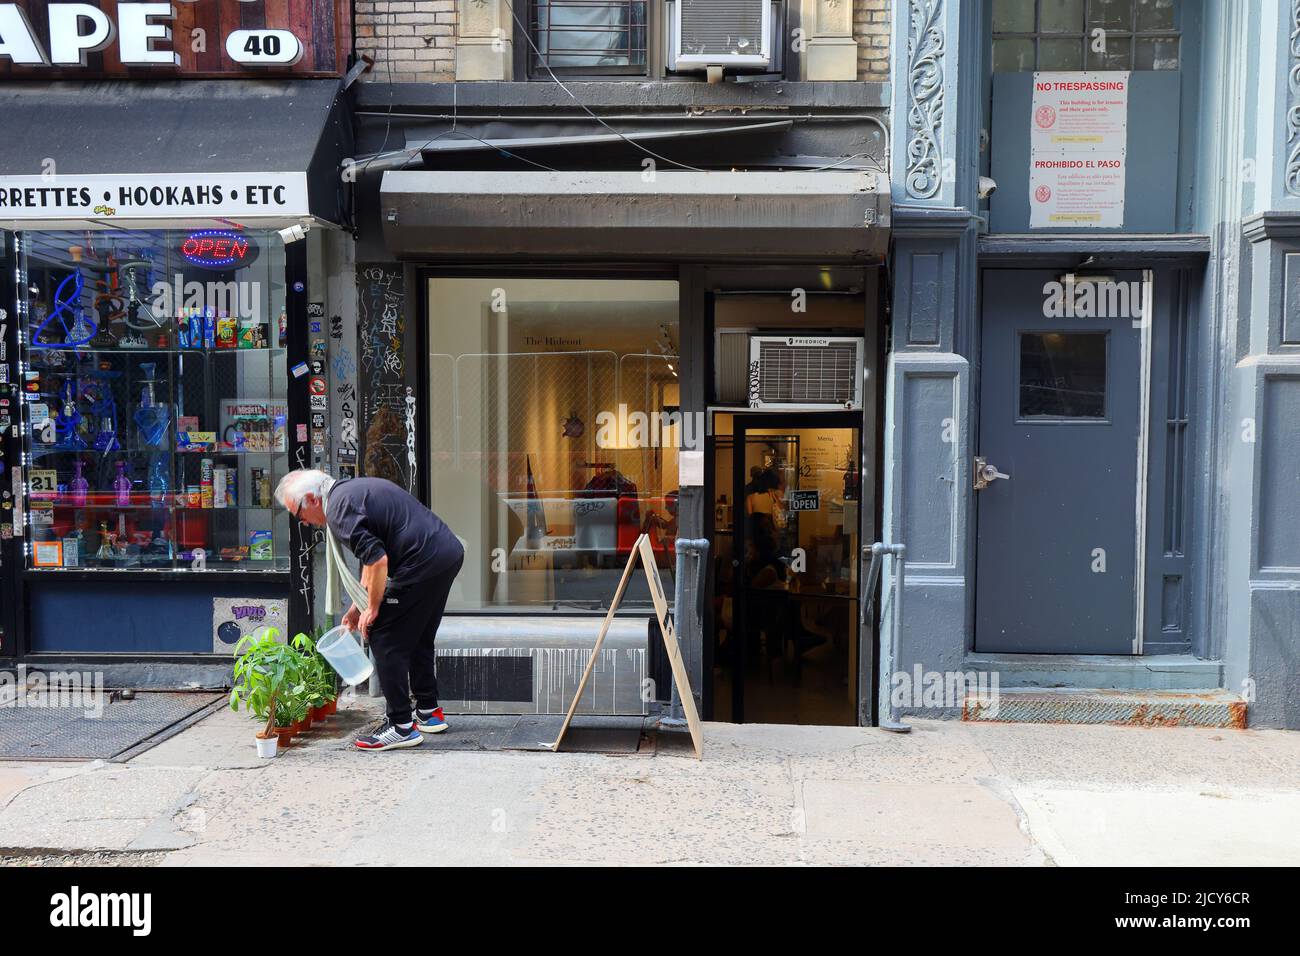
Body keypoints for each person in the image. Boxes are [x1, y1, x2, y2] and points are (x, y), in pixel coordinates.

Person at [274, 469, 465, 752]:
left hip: (421, 562)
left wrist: (373, 609)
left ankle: (401, 726)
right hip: (446, 553)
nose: (302, 521)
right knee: (418, 634)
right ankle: (428, 711)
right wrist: (356, 606)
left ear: (312, 499)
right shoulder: (352, 490)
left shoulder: (338, 511)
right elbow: (371, 560)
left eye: (298, 513)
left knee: (384, 635)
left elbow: (377, 562)